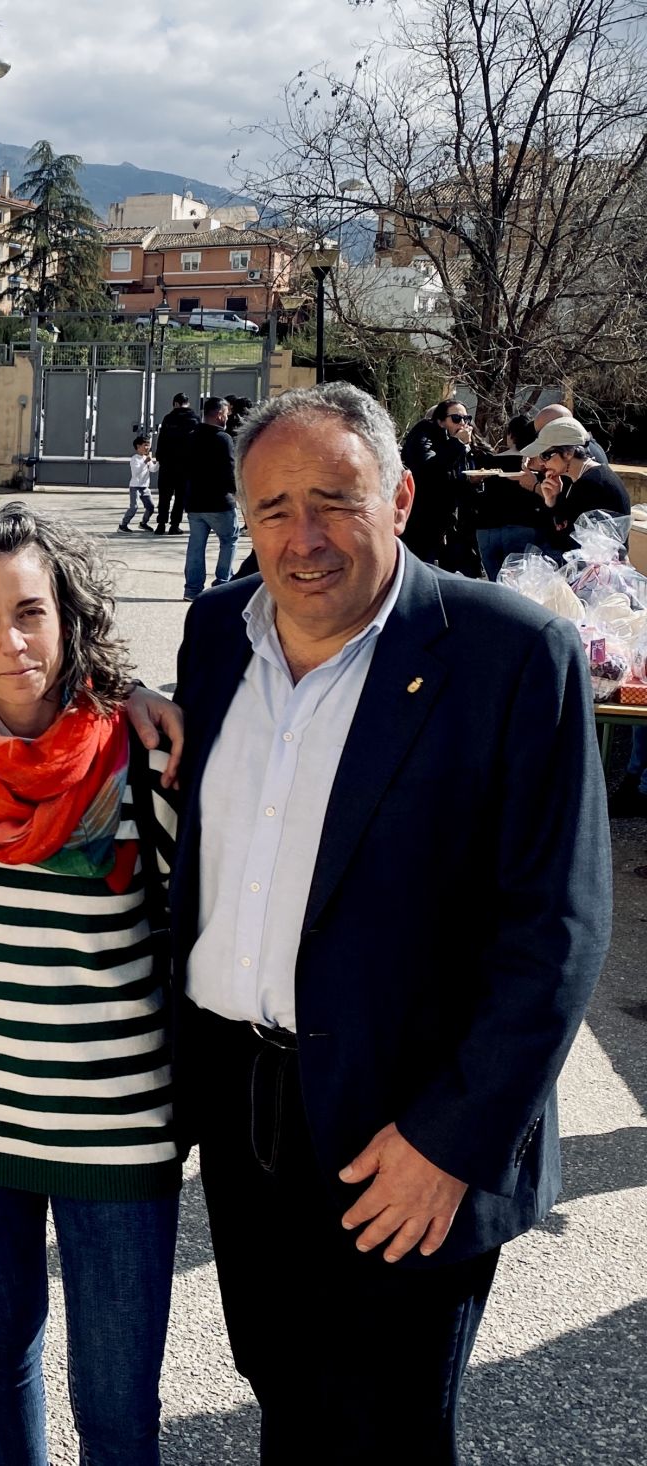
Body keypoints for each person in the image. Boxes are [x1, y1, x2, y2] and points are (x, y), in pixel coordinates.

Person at [173, 382, 609, 1463]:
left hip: (406, 1132)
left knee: (386, 1428)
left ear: (403, 496)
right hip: (247, 1112)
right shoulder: (215, 639)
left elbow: (556, 929)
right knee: (284, 1392)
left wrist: (455, 1142)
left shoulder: (510, 657)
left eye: (335, 499)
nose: (301, 537)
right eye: (272, 507)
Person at [0, 504, 179, 1466]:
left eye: (30, 611)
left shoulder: (147, 754)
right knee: (1, 1344)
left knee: (116, 1405)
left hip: (117, 1127)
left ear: (68, 610)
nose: (11, 641)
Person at [526, 416, 630, 558]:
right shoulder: (587, 478)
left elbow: (564, 543)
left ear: (568, 453)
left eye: (545, 455)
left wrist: (552, 507)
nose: (541, 463)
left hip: (597, 575)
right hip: (594, 572)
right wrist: (552, 501)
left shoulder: (592, 485)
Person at [401, 399, 477, 572]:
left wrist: (473, 481)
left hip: (451, 524)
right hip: (422, 523)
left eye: (467, 418)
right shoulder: (424, 433)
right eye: (456, 418)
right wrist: (458, 444)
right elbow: (428, 470)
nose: (463, 424)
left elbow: (453, 479)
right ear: (440, 421)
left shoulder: (457, 444)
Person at [469, 414, 544, 581]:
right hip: (523, 526)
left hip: (487, 528)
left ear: (510, 435)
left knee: (496, 583)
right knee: (521, 585)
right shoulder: (537, 465)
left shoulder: (489, 462)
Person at [183, 397, 238, 600]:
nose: (227, 418)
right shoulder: (223, 438)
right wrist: (236, 492)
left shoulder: (191, 436)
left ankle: (192, 589)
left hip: (195, 501)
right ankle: (222, 583)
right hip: (219, 501)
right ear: (219, 414)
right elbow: (229, 469)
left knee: (196, 545)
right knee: (229, 539)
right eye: (226, 414)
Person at [152, 393, 198, 535]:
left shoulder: (168, 418)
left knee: (164, 496)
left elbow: (161, 440)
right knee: (180, 497)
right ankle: (174, 525)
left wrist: (159, 457)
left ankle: (161, 524)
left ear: (176, 404)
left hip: (168, 464)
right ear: (187, 403)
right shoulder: (194, 419)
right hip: (186, 465)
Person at [120, 432, 156, 531]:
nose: (147, 447)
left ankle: (143, 523)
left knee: (150, 507)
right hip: (135, 487)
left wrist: (159, 462)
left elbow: (152, 469)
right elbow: (136, 472)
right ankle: (123, 525)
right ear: (138, 446)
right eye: (145, 445)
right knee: (134, 507)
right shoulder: (135, 458)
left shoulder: (146, 458)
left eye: (148, 445)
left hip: (145, 487)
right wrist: (145, 462)